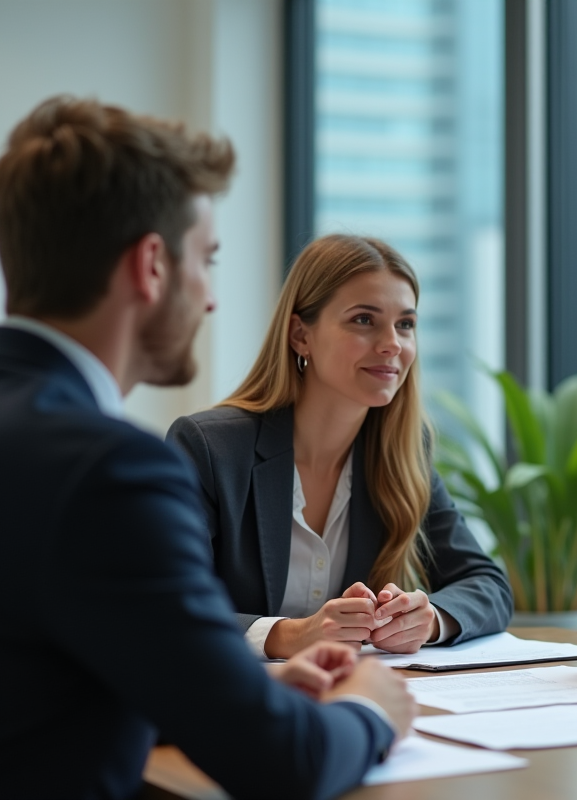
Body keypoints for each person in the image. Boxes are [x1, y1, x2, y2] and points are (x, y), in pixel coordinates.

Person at [0, 97, 416, 800]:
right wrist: (373, 706)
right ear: (152, 266)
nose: (213, 299)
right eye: (209, 260)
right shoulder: (111, 469)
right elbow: (283, 761)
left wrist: (219, 683)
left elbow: (14, 686)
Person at [165, 234, 513, 660]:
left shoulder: (402, 451)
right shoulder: (210, 448)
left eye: (405, 324)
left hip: (360, 698)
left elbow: (487, 583)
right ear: (300, 335)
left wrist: (431, 618)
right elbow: (167, 604)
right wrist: (290, 635)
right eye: (364, 320)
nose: (392, 344)